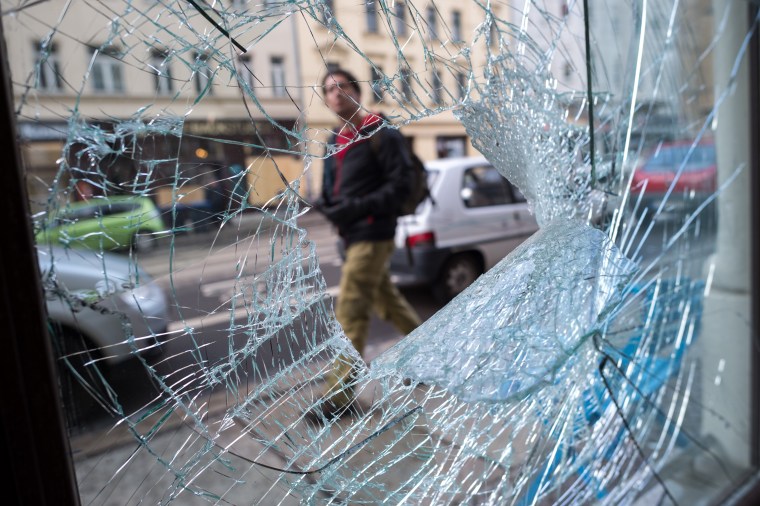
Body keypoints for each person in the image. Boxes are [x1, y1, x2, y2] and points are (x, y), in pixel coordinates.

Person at [314, 68, 423, 418]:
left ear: (357, 92)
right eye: (329, 89)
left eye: (341, 86)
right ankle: (428, 354)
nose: (335, 93)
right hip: (350, 234)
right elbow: (331, 188)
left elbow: (400, 186)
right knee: (388, 303)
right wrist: (329, 206)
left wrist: (355, 209)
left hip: (373, 233)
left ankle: (338, 395)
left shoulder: (379, 131)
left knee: (351, 310)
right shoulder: (334, 139)